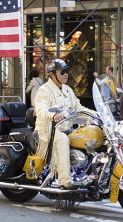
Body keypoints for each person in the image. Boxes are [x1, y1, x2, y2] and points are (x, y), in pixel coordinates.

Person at [34, 59, 90, 190]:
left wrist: (98, 115)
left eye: (67, 72)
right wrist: (53, 115)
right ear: (52, 74)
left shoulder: (67, 90)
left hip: (66, 129)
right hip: (48, 130)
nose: (66, 75)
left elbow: (79, 108)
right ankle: (64, 181)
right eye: (62, 72)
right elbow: (40, 109)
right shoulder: (44, 90)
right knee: (63, 140)